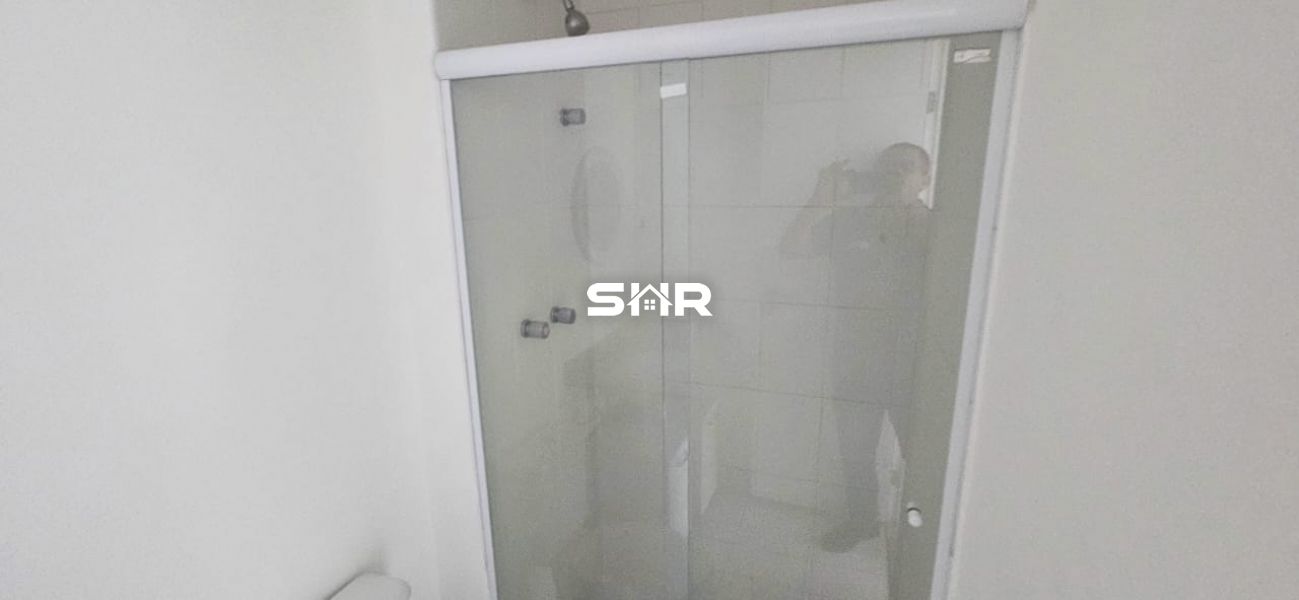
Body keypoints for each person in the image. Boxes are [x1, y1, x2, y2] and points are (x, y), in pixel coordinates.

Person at [781, 143, 934, 554]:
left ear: (925, 179)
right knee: (855, 451)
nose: (896, 173)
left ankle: (927, 539)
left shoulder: (937, 228)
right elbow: (790, 249)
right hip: (855, 359)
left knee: (923, 457)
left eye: (907, 167)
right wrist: (820, 200)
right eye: (889, 167)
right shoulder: (850, 221)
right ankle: (862, 521)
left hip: (914, 365)